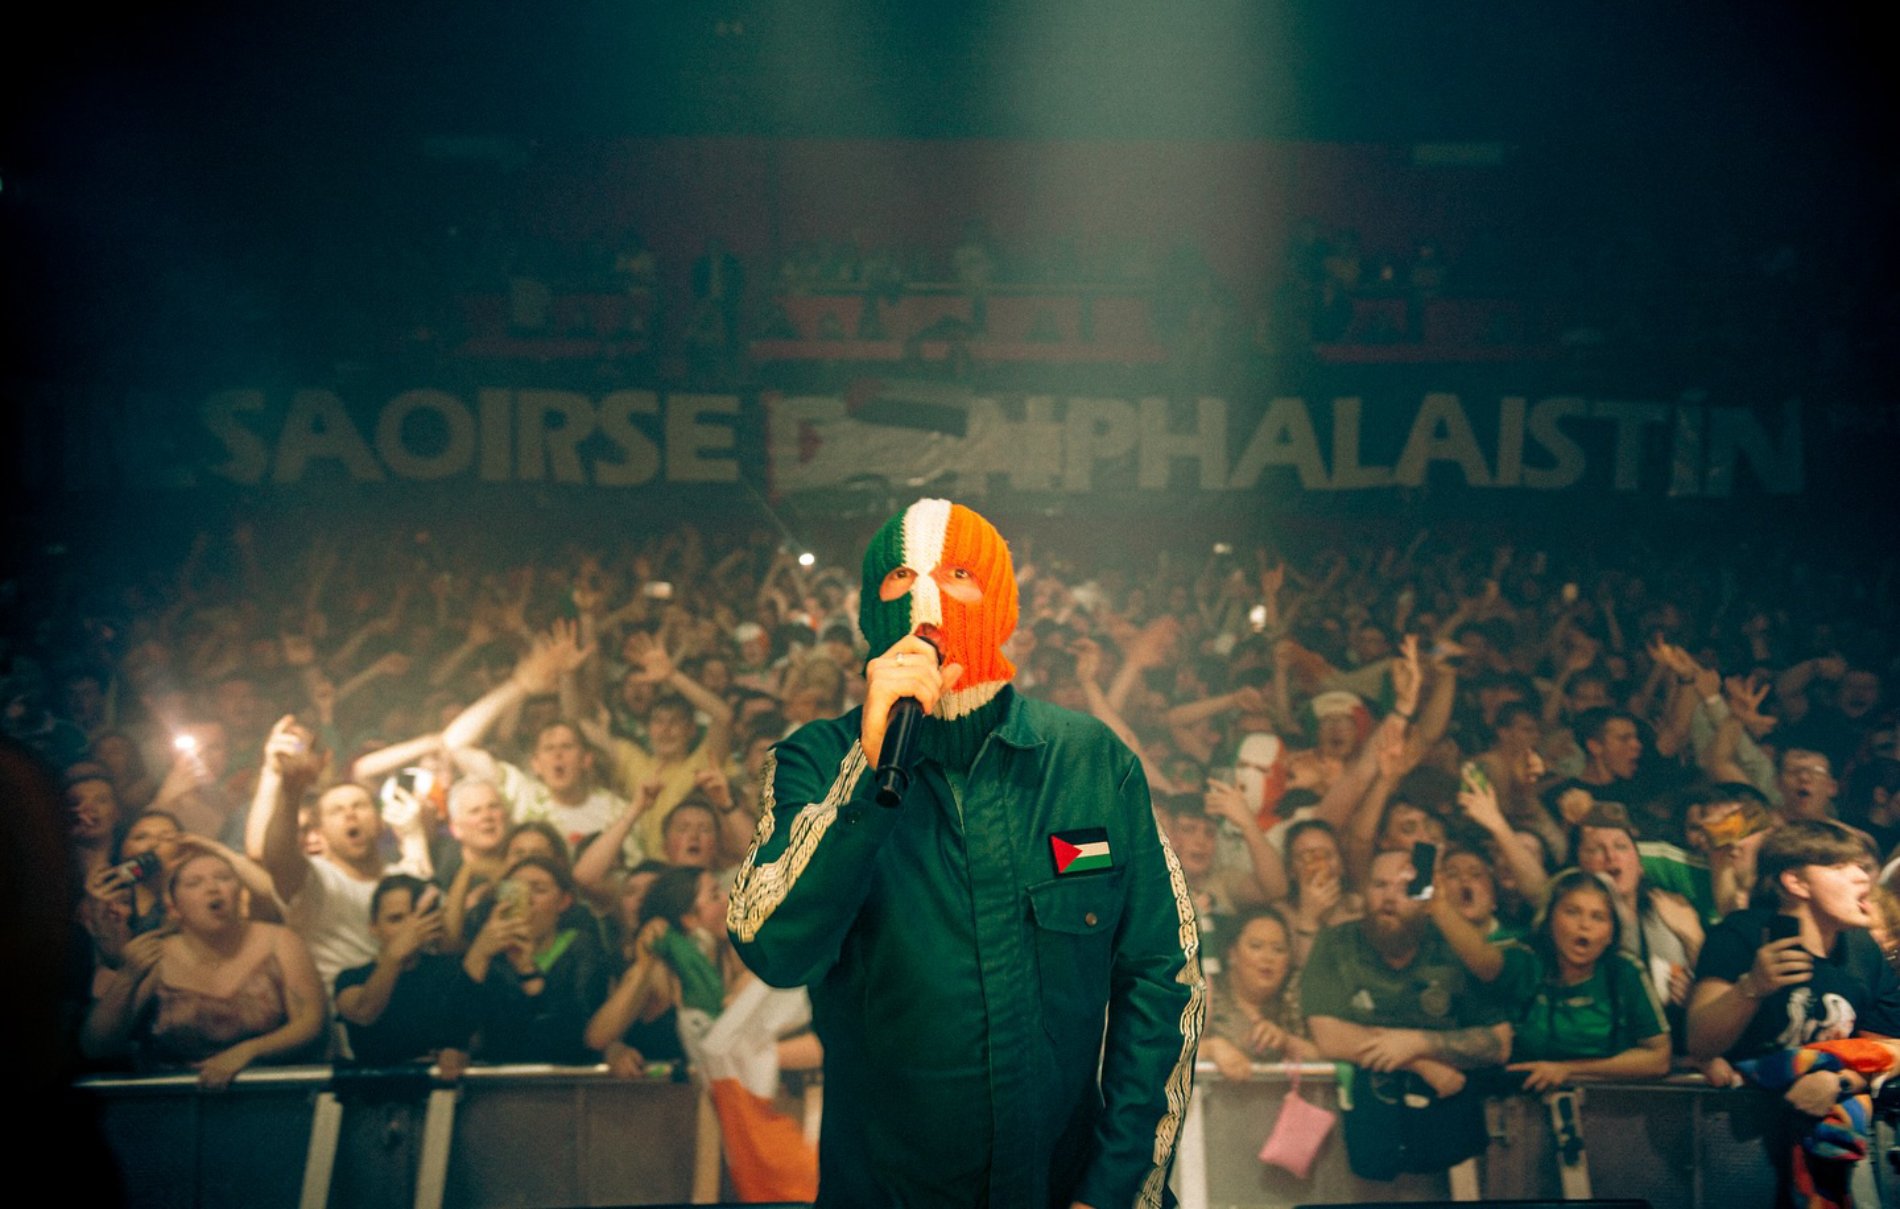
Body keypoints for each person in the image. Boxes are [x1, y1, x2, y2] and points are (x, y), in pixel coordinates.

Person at [727, 498, 1204, 1209]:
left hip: (1066, 1189)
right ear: (868, 609)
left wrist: (1116, 1188)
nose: (926, 600)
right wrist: (868, 766)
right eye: (900, 578)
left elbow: (1167, 977)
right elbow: (770, 941)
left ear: (1001, 601)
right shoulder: (815, 761)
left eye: (956, 573)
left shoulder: (1093, 762)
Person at [1300, 847, 1513, 1181]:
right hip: (1361, 1140)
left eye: (1404, 888)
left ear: (1427, 896)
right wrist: (1419, 1061)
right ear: (1363, 891)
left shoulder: (1455, 946)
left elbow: (1498, 1043)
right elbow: (1327, 1035)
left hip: (1452, 1138)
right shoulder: (1335, 944)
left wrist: (1416, 1042)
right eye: (1379, 885)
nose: (1389, 897)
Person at [81, 850, 325, 1087]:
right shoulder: (154, 954)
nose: (212, 888)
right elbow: (96, 1046)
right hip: (174, 1104)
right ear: (173, 905)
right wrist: (127, 976)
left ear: (239, 892)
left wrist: (247, 1051)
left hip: (269, 1094)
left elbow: (309, 1021)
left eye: (223, 878)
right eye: (194, 883)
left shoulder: (279, 940)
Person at [1431, 867, 1670, 1089]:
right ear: (1549, 921)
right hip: (1519, 1099)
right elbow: (1483, 961)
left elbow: (1658, 1058)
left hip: (1607, 1108)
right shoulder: (1526, 960)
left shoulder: (1624, 971)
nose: (1584, 925)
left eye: (1598, 917)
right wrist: (1440, 907)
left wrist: (1566, 1070)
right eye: (1572, 912)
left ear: (1611, 933)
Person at [461, 855, 609, 1064]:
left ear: (564, 901)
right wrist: (478, 954)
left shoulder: (581, 947)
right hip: (497, 1083)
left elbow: (574, 1038)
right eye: (515, 891)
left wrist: (527, 969)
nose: (527, 899)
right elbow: (458, 1034)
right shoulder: (488, 951)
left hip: (564, 1083)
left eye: (539, 890)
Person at [334, 875, 474, 1068]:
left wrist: (458, 1052)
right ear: (374, 927)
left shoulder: (450, 971)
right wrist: (394, 956)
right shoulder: (352, 977)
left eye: (415, 917)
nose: (409, 928)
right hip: (375, 1093)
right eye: (396, 919)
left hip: (442, 1090)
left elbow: (475, 1033)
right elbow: (364, 1012)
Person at [1201, 906, 1319, 1080]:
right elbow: (1164, 1051)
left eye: (1278, 949)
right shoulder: (1206, 994)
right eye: (1256, 946)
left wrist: (1287, 1042)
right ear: (1232, 954)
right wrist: (1211, 1049)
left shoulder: (1294, 996)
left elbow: (1326, 1054)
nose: (1267, 958)